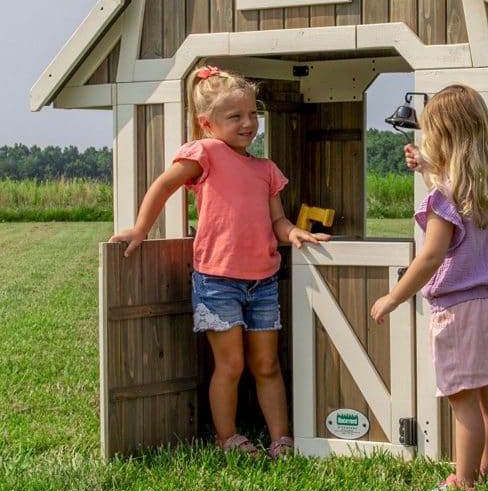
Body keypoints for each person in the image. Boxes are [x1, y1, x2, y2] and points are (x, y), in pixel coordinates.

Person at [110, 65, 329, 457]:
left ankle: (282, 439)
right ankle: (227, 438)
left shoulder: (265, 170)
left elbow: (277, 220)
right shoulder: (205, 153)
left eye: (252, 114)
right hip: (217, 281)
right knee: (230, 366)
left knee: (266, 364)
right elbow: (164, 186)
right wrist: (141, 229)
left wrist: (293, 232)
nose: (248, 123)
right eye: (235, 117)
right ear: (207, 123)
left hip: (262, 281)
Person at [370, 85, 488, 491]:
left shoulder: (443, 200)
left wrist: (395, 296)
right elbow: (458, 185)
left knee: (461, 400)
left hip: (458, 310)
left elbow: (431, 257)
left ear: (444, 140)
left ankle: (463, 482)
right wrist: (428, 167)